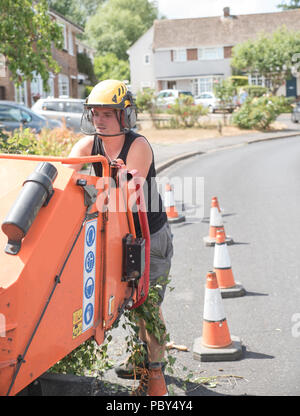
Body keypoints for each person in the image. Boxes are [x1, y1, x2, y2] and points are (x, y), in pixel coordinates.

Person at [68, 79, 173, 396]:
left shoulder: (138, 146)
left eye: (107, 114)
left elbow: (125, 199)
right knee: (125, 302)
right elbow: (65, 175)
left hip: (149, 239)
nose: (99, 120)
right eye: (95, 113)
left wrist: (89, 185)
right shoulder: (89, 146)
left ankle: (151, 376)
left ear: (125, 116)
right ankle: (142, 356)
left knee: (146, 306)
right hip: (116, 236)